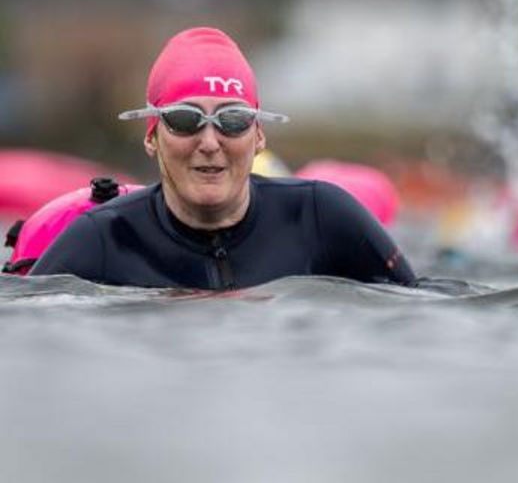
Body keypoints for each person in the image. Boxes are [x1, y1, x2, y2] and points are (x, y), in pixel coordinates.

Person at [30, 27, 416, 289]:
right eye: (185, 121)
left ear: (259, 134)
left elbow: (419, 309)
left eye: (232, 121)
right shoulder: (101, 240)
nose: (210, 142)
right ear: (152, 136)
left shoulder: (321, 217)